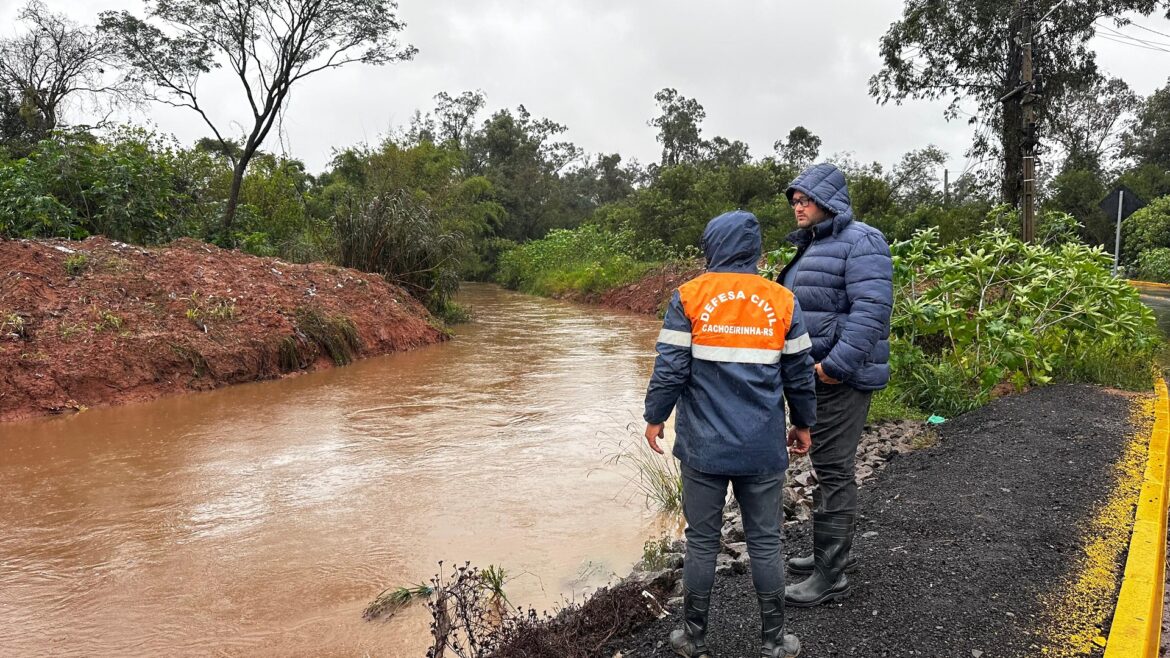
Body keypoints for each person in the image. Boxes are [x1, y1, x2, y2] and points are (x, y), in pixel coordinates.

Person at [644, 209, 817, 658]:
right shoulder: (782, 300)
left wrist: (655, 415)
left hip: (704, 447)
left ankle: (694, 638)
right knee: (765, 541)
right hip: (761, 446)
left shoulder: (689, 297)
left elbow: (671, 368)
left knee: (701, 541)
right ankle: (775, 641)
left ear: (712, 247)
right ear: (756, 252)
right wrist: (802, 423)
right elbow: (798, 373)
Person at [776, 163, 894, 608]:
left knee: (834, 469)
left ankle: (831, 574)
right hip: (816, 376)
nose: (797, 207)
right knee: (826, 465)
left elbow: (871, 313)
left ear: (828, 200)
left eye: (804, 199)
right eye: (794, 201)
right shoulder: (815, 244)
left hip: (840, 378)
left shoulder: (862, 240)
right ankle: (829, 554)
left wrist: (832, 368)